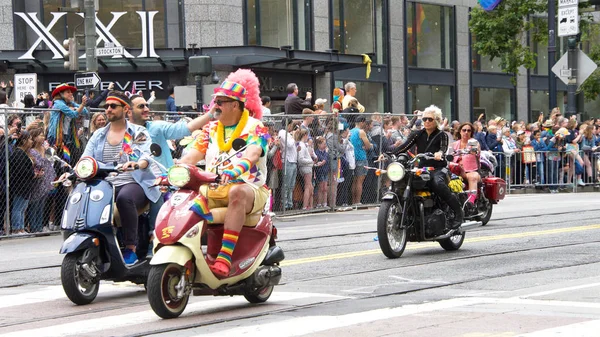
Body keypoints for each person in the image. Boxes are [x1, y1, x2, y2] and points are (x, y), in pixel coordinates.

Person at [180, 80, 270, 277]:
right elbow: (192, 155)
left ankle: (225, 256)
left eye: (220, 102)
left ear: (235, 105)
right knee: (184, 199)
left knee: (237, 191)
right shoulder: (210, 129)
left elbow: (253, 153)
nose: (215, 107)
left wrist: (236, 171)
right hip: (213, 187)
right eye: (215, 102)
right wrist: (175, 170)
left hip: (249, 188)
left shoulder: (256, 126)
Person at [82, 91, 159, 265]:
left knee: (125, 198)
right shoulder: (98, 134)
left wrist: (138, 164)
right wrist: (74, 171)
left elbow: (147, 156)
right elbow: (85, 159)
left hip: (134, 182)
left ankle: (130, 248)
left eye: (113, 106)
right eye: (106, 106)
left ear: (125, 109)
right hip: (105, 185)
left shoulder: (138, 132)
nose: (108, 109)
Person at [128, 93, 211, 247]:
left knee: (157, 192)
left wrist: (211, 114)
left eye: (147, 105)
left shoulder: (157, 127)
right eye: (141, 106)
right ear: (128, 111)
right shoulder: (123, 132)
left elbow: (186, 128)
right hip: (130, 182)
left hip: (161, 183)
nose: (147, 109)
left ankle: (156, 240)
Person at [389, 105, 464, 229]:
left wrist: (440, 153)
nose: (427, 122)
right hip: (423, 168)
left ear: (437, 120)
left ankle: (458, 212)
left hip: (438, 168)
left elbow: (443, 148)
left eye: (430, 119)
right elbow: (404, 146)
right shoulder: (417, 134)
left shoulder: (442, 135)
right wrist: (389, 154)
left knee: (437, 183)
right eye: (424, 119)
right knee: (404, 182)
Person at [47, 83, 89, 165]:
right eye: (68, 92)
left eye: (71, 92)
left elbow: (85, 111)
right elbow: (73, 114)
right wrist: (82, 105)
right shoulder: (58, 103)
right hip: (56, 137)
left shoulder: (70, 103)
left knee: (69, 160)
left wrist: (75, 107)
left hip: (68, 136)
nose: (71, 94)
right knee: (59, 161)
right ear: (61, 94)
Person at [9, 130, 41, 234]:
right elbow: (21, 170)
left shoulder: (23, 153)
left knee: (23, 208)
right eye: (30, 139)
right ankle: (16, 228)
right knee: (18, 208)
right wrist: (33, 174)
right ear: (23, 141)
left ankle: (21, 227)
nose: (31, 141)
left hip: (26, 185)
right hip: (20, 186)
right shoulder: (18, 153)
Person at [27, 127, 55, 232]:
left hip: (46, 178)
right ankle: (33, 226)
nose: (43, 137)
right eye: (40, 135)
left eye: (43, 135)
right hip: (37, 180)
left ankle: (39, 226)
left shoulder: (45, 148)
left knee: (42, 204)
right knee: (35, 203)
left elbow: (50, 160)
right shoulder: (32, 151)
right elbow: (38, 164)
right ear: (34, 137)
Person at [452, 122, 481, 205]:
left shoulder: (473, 142)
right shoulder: (454, 144)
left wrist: (473, 150)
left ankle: (470, 202)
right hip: (456, 171)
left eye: (469, 130)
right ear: (460, 132)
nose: (466, 132)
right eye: (464, 130)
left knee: (472, 177)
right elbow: (448, 154)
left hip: (470, 171)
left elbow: (475, 150)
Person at [349, 116, 372, 206]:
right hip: (361, 157)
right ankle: (357, 201)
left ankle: (353, 201)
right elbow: (368, 145)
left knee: (354, 180)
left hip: (352, 157)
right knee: (360, 180)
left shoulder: (350, 131)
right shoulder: (361, 132)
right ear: (362, 122)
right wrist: (365, 146)